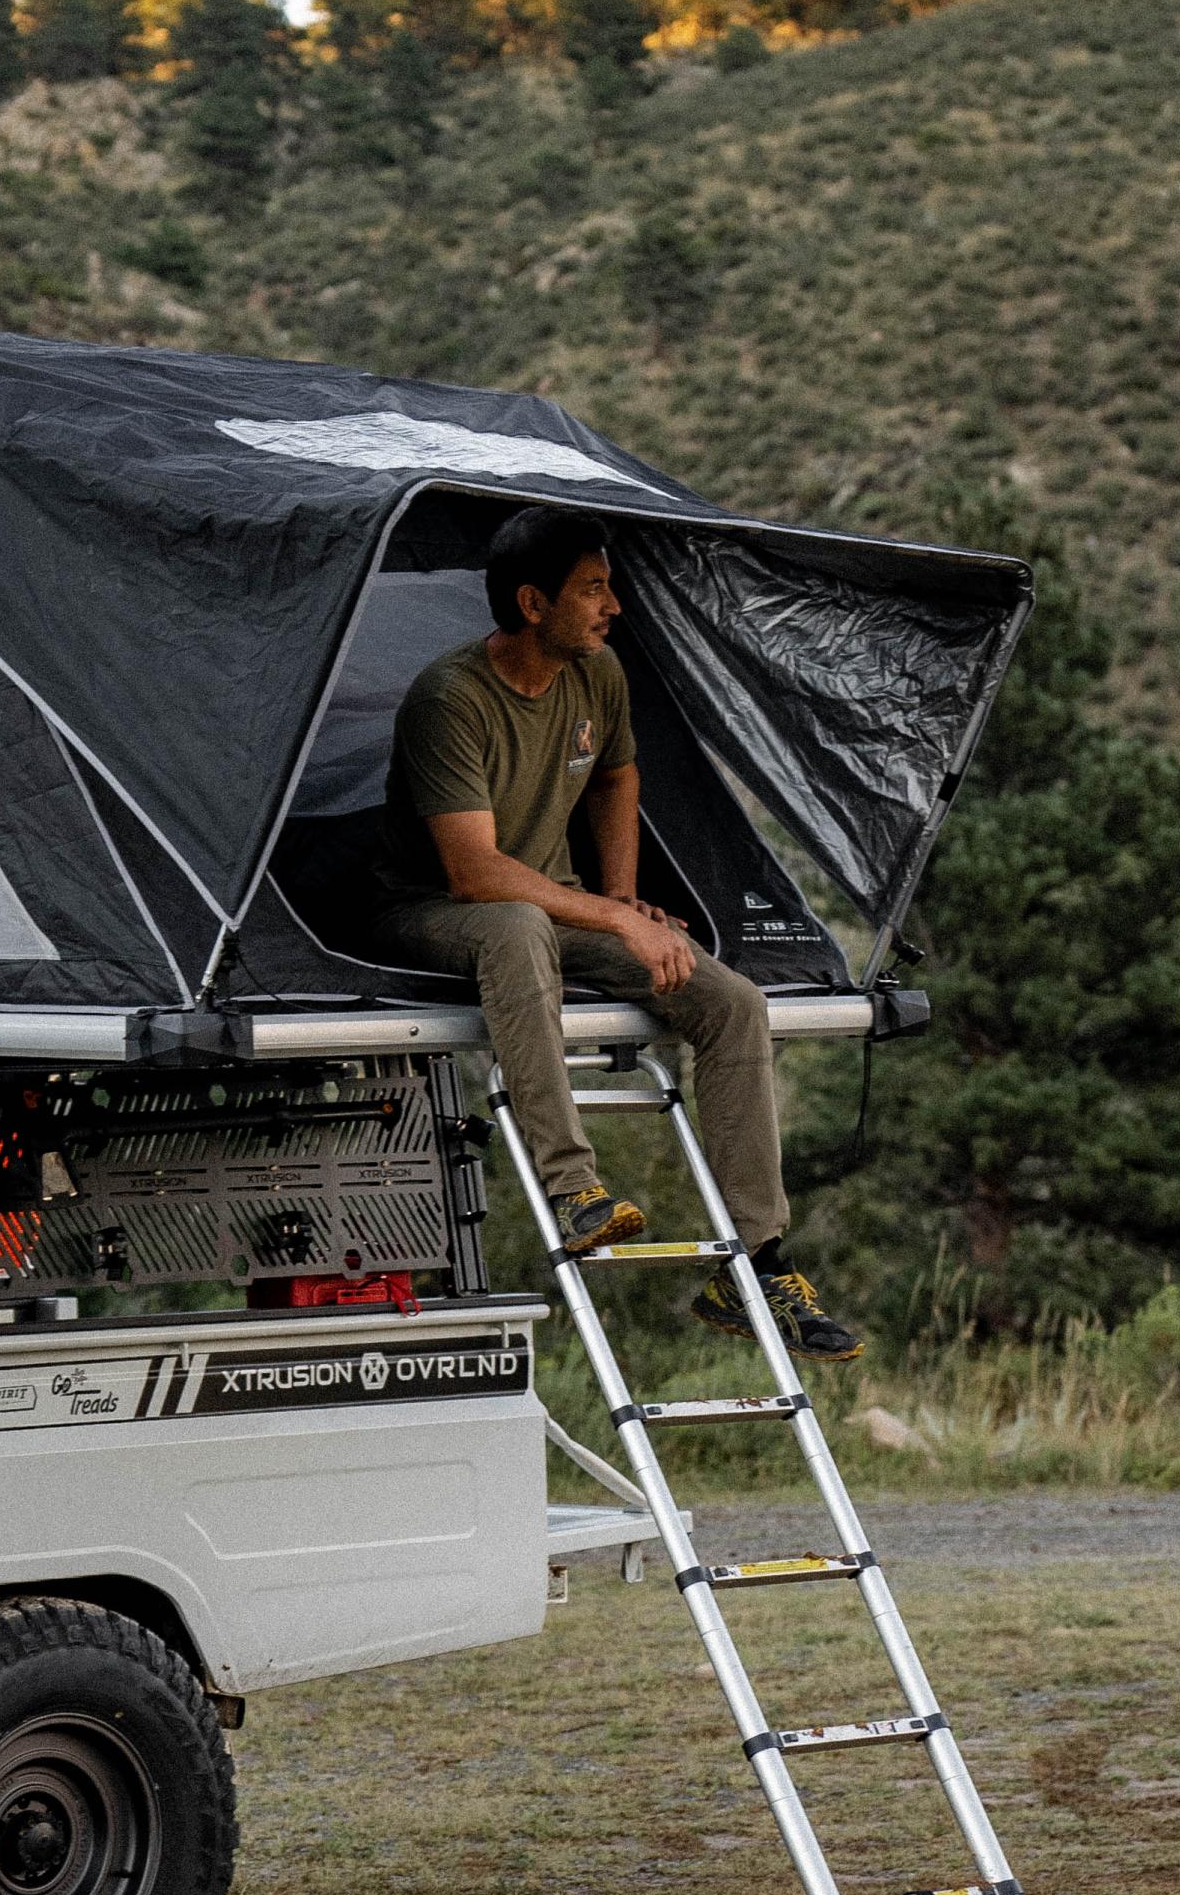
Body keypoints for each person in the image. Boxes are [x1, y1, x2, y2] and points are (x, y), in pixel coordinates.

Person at [366, 504, 860, 1360]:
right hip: (429, 910)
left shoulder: (598, 673)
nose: (613, 605)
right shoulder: (450, 699)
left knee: (733, 1002)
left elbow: (615, 780)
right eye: (593, 589)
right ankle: (573, 1190)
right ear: (533, 603)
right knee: (516, 925)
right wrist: (618, 916)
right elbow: (474, 873)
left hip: (549, 908)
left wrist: (624, 895)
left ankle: (754, 1264)